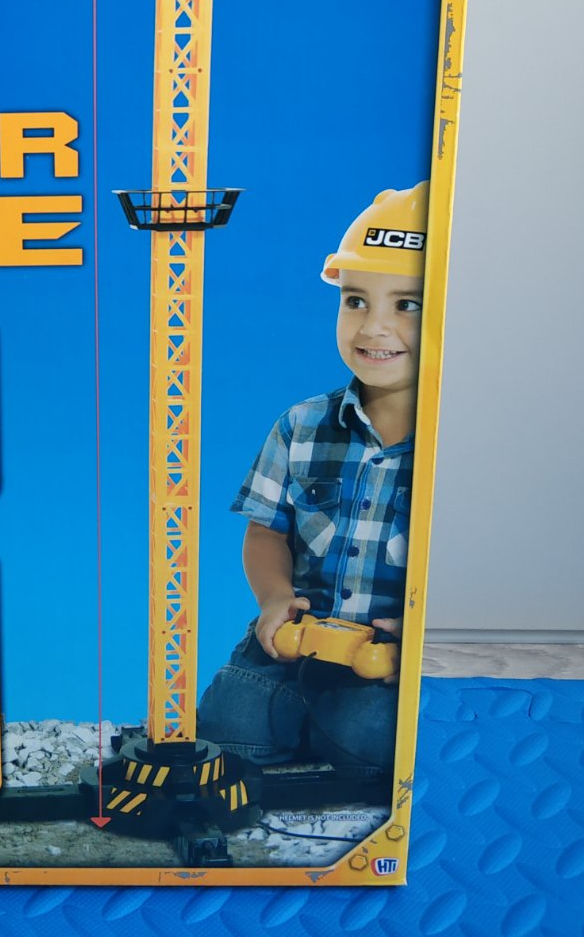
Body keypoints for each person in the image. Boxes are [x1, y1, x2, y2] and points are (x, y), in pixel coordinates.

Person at [197, 182, 428, 777]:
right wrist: (275, 599)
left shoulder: (464, 446)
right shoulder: (301, 426)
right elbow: (266, 531)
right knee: (227, 728)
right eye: (356, 300)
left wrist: (426, 635)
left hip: (390, 655)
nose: (373, 328)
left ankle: (328, 734)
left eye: (407, 305)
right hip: (300, 637)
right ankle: (305, 723)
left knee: (367, 740)